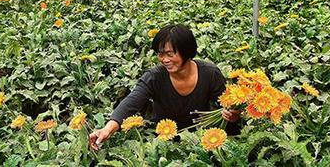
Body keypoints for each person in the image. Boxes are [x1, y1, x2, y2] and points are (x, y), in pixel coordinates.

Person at [89, 24, 240, 150]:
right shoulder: (154, 77)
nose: (164, 60)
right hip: (163, 142)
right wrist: (107, 130)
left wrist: (233, 115)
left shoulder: (210, 74)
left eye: (169, 54)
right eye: (160, 54)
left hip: (201, 140)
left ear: (186, 51)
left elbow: (228, 105)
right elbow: (131, 103)